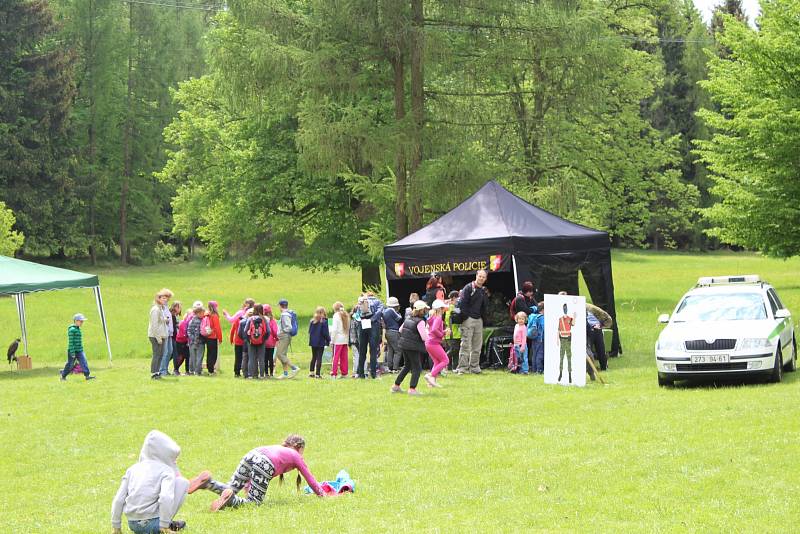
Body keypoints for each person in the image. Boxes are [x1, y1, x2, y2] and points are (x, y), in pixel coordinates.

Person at [187, 434, 324, 510]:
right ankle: (231, 501)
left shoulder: (277, 448)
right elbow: (309, 478)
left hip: (252, 455)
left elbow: (252, 472)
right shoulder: (295, 455)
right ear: (298, 447)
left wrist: (247, 486)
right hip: (265, 463)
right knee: (253, 503)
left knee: (231, 488)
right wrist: (322, 494)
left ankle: (207, 483)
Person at [111, 430, 188, 534]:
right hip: (154, 524)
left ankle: (162, 524)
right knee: (183, 483)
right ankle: (165, 525)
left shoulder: (132, 470)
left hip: (133, 523)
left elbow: (118, 499)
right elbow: (166, 497)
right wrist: (164, 525)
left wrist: (116, 526)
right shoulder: (166, 471)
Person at [391, 300, 429, 396]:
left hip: (404, 345)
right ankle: (412, 389)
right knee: (417, 367)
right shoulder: (420, 321)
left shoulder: (408, 318)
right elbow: (424, 337)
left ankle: (396, 386)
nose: (426, 311)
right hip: (413, 347)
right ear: (421, 310)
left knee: (407, 366)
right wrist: (428, 332)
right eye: (425, 309)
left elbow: (400, 330)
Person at [455, 270, 488, 375]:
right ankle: (462, 368)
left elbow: (485, 306)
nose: (481, 278)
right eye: (480, 276)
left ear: (485, 278)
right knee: (465, 345)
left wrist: (483, 318)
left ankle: (475, 367)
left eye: (484, 277)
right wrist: (466, 317)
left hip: (479, 320)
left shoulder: (483, 290)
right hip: (468, 319)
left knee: (477, 346)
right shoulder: (469, 287)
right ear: (476, 276)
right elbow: (462, 304)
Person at [60, 313, 96, 381]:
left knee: (84, 362)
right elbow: (71, 342)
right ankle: (63, 376)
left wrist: (81, 349)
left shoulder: (78, 329)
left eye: (82, 321)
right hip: (72, 351)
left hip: (80, 350)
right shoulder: (72, 330)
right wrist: (73, 353)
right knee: (70, 365)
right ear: (76, 321)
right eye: (81, 321)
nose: (82, 322)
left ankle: (87, 376)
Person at [356, 292, 384, 379]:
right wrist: (372, 319)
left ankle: (360, 373)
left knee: (362, 350)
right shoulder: (378, 302)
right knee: (373, 351)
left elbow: (357, 315)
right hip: (373, 325)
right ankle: (373, 373)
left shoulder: (362, 301)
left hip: (363, 324)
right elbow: (380, 312)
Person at [423, 299, 450, 388]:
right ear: (440, 309)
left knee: (437, 361)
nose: (444, 310)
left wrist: (443, 331)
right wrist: (443, 333)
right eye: (443, 308)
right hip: (433, 343)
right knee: (445, 360)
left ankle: (431, 382)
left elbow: (433, 329)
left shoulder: (433, 317)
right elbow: (434, 330)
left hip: (429, 342)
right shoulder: (438, 318)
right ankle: (431, 375)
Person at [148, 289, 173, 380]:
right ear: (158, 299)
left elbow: (159, 321)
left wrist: (164, 320)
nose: (165, 300)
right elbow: (154, 325)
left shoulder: (160, 309)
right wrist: (158, 338)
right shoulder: (155, 309)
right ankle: (154, 373)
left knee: (161, 354)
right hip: (155, 336)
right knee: (157, 354)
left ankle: (157, 372)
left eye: (166, 298)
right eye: (163, 298)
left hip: (162, 335)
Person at [275, 299, 300, 379]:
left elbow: (288, 327)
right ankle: (285, 373)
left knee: (280, 354)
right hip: (285, 336)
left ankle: (294, 368)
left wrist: (282, 332)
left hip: (284, 336)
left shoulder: (285, 315)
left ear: (280, 305)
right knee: (283, 354)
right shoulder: (287, 314)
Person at [586, 303, 612, 371]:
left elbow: (608, 319)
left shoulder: (590, 308)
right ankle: (594, 369)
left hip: (594, 330)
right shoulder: (590, 308)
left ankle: (602, 368)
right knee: (593, 350)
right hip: (592, 329)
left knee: (598, 350)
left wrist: (600, 326)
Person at [245, 304, 269, 379]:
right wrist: (264, 339)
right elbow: (268, 331)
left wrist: (248, 339)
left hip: (251, 341)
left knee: (251, 358)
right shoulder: (264, 319)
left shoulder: (250, 319)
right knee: (261, 358)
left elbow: (245, 330)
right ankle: (262, 375)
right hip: (261, 341)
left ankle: (250, 375)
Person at [308, 306, 330, 378]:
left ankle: (311, 372)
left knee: (314, 357)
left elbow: (309, 332)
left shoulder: (312, 321)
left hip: (313, 342)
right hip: (320, 341)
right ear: (323, 313)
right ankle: (317, 374)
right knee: (319, 357)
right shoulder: (324, 321)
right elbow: (325, 333)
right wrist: (328, 340)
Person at [382, 297, 403, 372]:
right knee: (398, 350)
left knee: (390, 349)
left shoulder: (385, 311)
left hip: (388, 331)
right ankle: (395, 367)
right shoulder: (391, 310)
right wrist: (398, 312)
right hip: (394, 332)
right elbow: (399, 318)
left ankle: (390, 366)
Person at [329, 302, 349, 378]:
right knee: (344, 357)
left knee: (336, 357)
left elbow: (334, 329)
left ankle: (334, 373)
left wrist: (332, 340)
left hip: (338, 339)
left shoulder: (336, 315)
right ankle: (344, 373)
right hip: (345, 338)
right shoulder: (346, 315)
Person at [203, 301, 223, 375]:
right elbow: (217, 328)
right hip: (213, 337)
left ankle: (209, 369)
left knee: (209, 353)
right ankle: (211, 370)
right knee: (213, 354)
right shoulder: (214, 316)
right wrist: (220, 338)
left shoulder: (206, 314)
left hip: (207, 336)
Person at [558, 302, 575, 383]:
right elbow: (558, 330)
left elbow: (573, 324)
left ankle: (570, 375)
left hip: (568, 339)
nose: (565, 309)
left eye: (566, 308)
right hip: (562, 339)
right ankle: (560, 373)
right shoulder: (560, 319)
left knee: (569, 357)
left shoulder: (570, 318)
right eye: (564, 308)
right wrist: (557, 340)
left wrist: (574, 317)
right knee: (561, 357)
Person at [444, 291, 461, 370]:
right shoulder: (452, 307)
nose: (459, 300)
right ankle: (443, 359)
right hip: (452, 333)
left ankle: (453, 368)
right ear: (454, 298)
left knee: (456, 352)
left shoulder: (448, 307)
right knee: (454, 350)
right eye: (458, 298)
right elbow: (448, 320)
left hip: (452, 334)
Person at [187, 303, 205, 375]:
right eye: (202, 313)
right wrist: (194, 339)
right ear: (198, 313)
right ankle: (197, 371)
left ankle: (194, 370)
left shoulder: (192, 320)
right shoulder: (201, 321)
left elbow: (188, 331)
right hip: (199, 342)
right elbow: (192, 331)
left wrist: (192, 339)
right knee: (199, 357)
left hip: (193, 342)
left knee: (193, 357)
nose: (203, 314)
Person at [529, 301, 545, 374]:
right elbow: (544, 327)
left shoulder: (534, 316)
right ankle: (539, 370)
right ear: (543, 310)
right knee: (540, 354)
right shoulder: (542, 318)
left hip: (534, 338)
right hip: (540, 339)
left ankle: (534, 369)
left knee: (534, 354)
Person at [263, 304, 279, 378]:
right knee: (270, 358)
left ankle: (266, 373)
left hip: (263, 342)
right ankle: (271, 373)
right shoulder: (272, 321)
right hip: (271, 342)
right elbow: (275, 331)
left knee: (265, 358)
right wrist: (277, 338)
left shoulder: (262, 320)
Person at [174, 307, 191, 376]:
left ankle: (187, 371)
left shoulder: (188, 322)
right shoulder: (184, 322)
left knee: (187, 356)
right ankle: (176, 369)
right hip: (180, 342)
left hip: (186, 342)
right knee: (181, 356)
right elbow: (185, 334)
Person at [348, 304, 361, 378]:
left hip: (352, 340)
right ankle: (357, 371)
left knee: (355, 356)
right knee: (358, 356)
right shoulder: (357, 319)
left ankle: (354, 372)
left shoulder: (351, 318)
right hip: (357, 341)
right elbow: (358, 332)